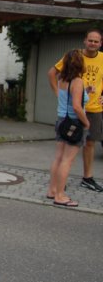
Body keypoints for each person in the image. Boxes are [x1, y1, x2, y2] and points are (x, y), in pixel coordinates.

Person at [48, 28, 103, 193]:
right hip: (75, 110)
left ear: (100, 43)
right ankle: (60, 182)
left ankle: (87, 178)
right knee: (67, 150)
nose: (92, 43)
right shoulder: (74, 56)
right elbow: (52, 73)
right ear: (85, 40)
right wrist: (59, 94)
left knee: (90, 143)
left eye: (96, 41)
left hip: (93, 107)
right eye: (90, 40)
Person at [47, 49, 89, 207]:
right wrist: (86, 122)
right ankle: (60, 195)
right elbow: (77, 107)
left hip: (61, 121)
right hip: (74, 123)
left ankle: (52, 190)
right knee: (67, 160)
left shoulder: (62, 79)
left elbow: (69, 98)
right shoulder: (77, 81)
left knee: (58, 157)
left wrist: (87, 92)